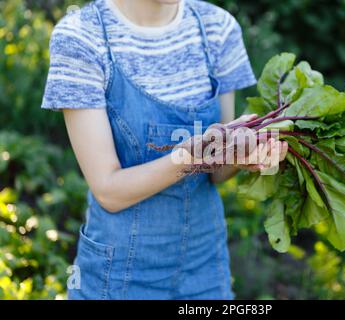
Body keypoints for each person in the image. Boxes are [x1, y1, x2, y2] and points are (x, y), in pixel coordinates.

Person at [42, 0, 287, 299]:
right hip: (120, 275)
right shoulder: (82, 36)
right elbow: (109, 191)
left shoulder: (216, 28)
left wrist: (243, 154)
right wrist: (193, 156)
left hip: (205, 269)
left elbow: (217, 174)